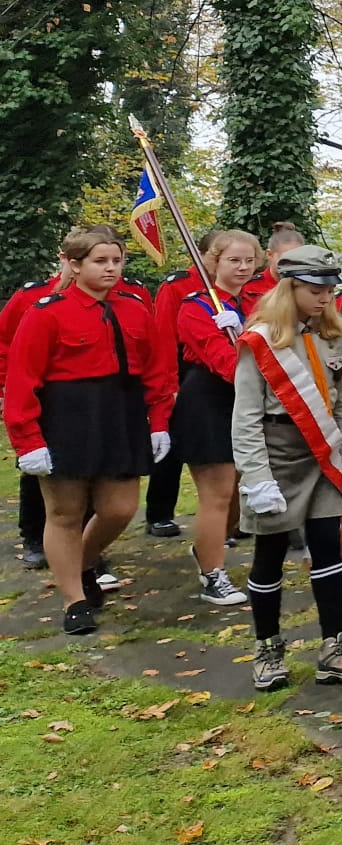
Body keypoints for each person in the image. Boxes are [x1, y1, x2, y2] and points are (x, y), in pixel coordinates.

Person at [4, 227, 175, 634]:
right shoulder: (46, 311)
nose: (112, 269)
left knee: (120, 508)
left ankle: (82, 563)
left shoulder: (135, 307)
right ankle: (74, 600)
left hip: (121, 413)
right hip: (66, 415)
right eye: (101, 261)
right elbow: (22, 378)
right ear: (75, 265)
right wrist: (28, 440)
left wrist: (160, 422)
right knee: (65, 512)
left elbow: (158, 368)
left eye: (117, 260)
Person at [232, 245, 342, 690]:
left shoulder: (334, 334)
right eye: (316, 290)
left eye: (330, 290)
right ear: (288, 288)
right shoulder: (261, 339)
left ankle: (335, 646)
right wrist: (256, 479)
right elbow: (246, 417)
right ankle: (267, 648)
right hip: (276, 455)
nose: (325, 298)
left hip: (323, 454)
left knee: (327, 550)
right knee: (270, 554)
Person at [171, 230, 261, 606]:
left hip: (247, 399)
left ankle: (206, 552)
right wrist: (241, 342)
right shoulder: (196, 307)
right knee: (218, 494)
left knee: (236, 489)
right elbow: (223, 364)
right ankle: (212, 575)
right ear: (214, 263)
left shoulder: (256, 304)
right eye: (233, 261)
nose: (242, 267)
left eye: (248, 260)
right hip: (208, 399)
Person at [143, 230, 219, 540]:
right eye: (216, 254)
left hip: (222, 368)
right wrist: (168, 384)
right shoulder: (178, 287)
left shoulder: (241, 289)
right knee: (172, 444)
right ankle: (159, 513)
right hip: (183, 368)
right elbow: (163, 338)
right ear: (200, 255)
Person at [241, 221, 305, 305]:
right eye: (285, 259)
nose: (291, 264)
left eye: (297, 259)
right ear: (269, 254)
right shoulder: (253, 288)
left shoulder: (306, 285)